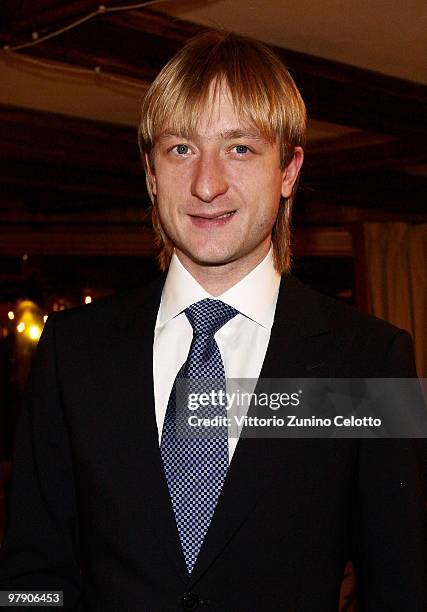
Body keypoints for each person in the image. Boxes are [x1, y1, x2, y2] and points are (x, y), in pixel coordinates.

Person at [0, 30, 425, 612]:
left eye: (241, 148)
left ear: (290, 170)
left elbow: (403, 586)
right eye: (180, 149)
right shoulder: (71, 351)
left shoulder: (371, 362)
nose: (206, 184)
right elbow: (32, 575)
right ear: (150, 173)